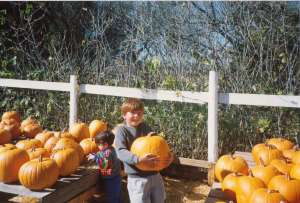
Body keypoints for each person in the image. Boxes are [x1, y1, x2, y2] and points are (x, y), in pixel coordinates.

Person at [114, 98, 173, 203]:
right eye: (132, 113)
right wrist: (138, 160)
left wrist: (168, 157)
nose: (136, 116)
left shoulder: (145, 127)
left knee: (159, 200)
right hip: (137, 178)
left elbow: (158, 145)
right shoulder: (122, 131)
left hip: (155, 175)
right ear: (124, 115)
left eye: (139, 113)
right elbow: (120, 151)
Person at [88, 130, 122, 203]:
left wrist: (95, 158)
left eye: (99, 144)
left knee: (112, 197)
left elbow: (103, 164)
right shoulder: (112, 149)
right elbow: (101, 154)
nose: (97, 146)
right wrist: (95, 155)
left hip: (111, 179)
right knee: (117, 196)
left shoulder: (107, 153)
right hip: (116, 176)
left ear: (105, 144)